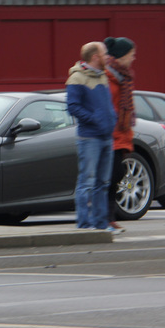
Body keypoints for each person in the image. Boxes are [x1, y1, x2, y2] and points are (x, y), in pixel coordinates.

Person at [67, 42, 117, 231]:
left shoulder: (103, 76)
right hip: (89, 138)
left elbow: (106, 104)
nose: (107, 57)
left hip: (106, 136)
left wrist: (112, 117)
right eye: (104, 54)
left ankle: (100, 223)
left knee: (102, 183)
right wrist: (95, 119)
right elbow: (72, 107)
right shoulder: (77, 78)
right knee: (87, 182)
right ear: (95, 56)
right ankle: (84, 224)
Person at [104, 36, 137, 233]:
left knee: (117, 176)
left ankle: (110, 217)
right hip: (111, 136)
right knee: (113, 176)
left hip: (121, 136)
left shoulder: (123, 78)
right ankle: (106, 218)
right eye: (132, 55)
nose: (133, 58)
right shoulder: (110, 78)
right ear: (122, 56)